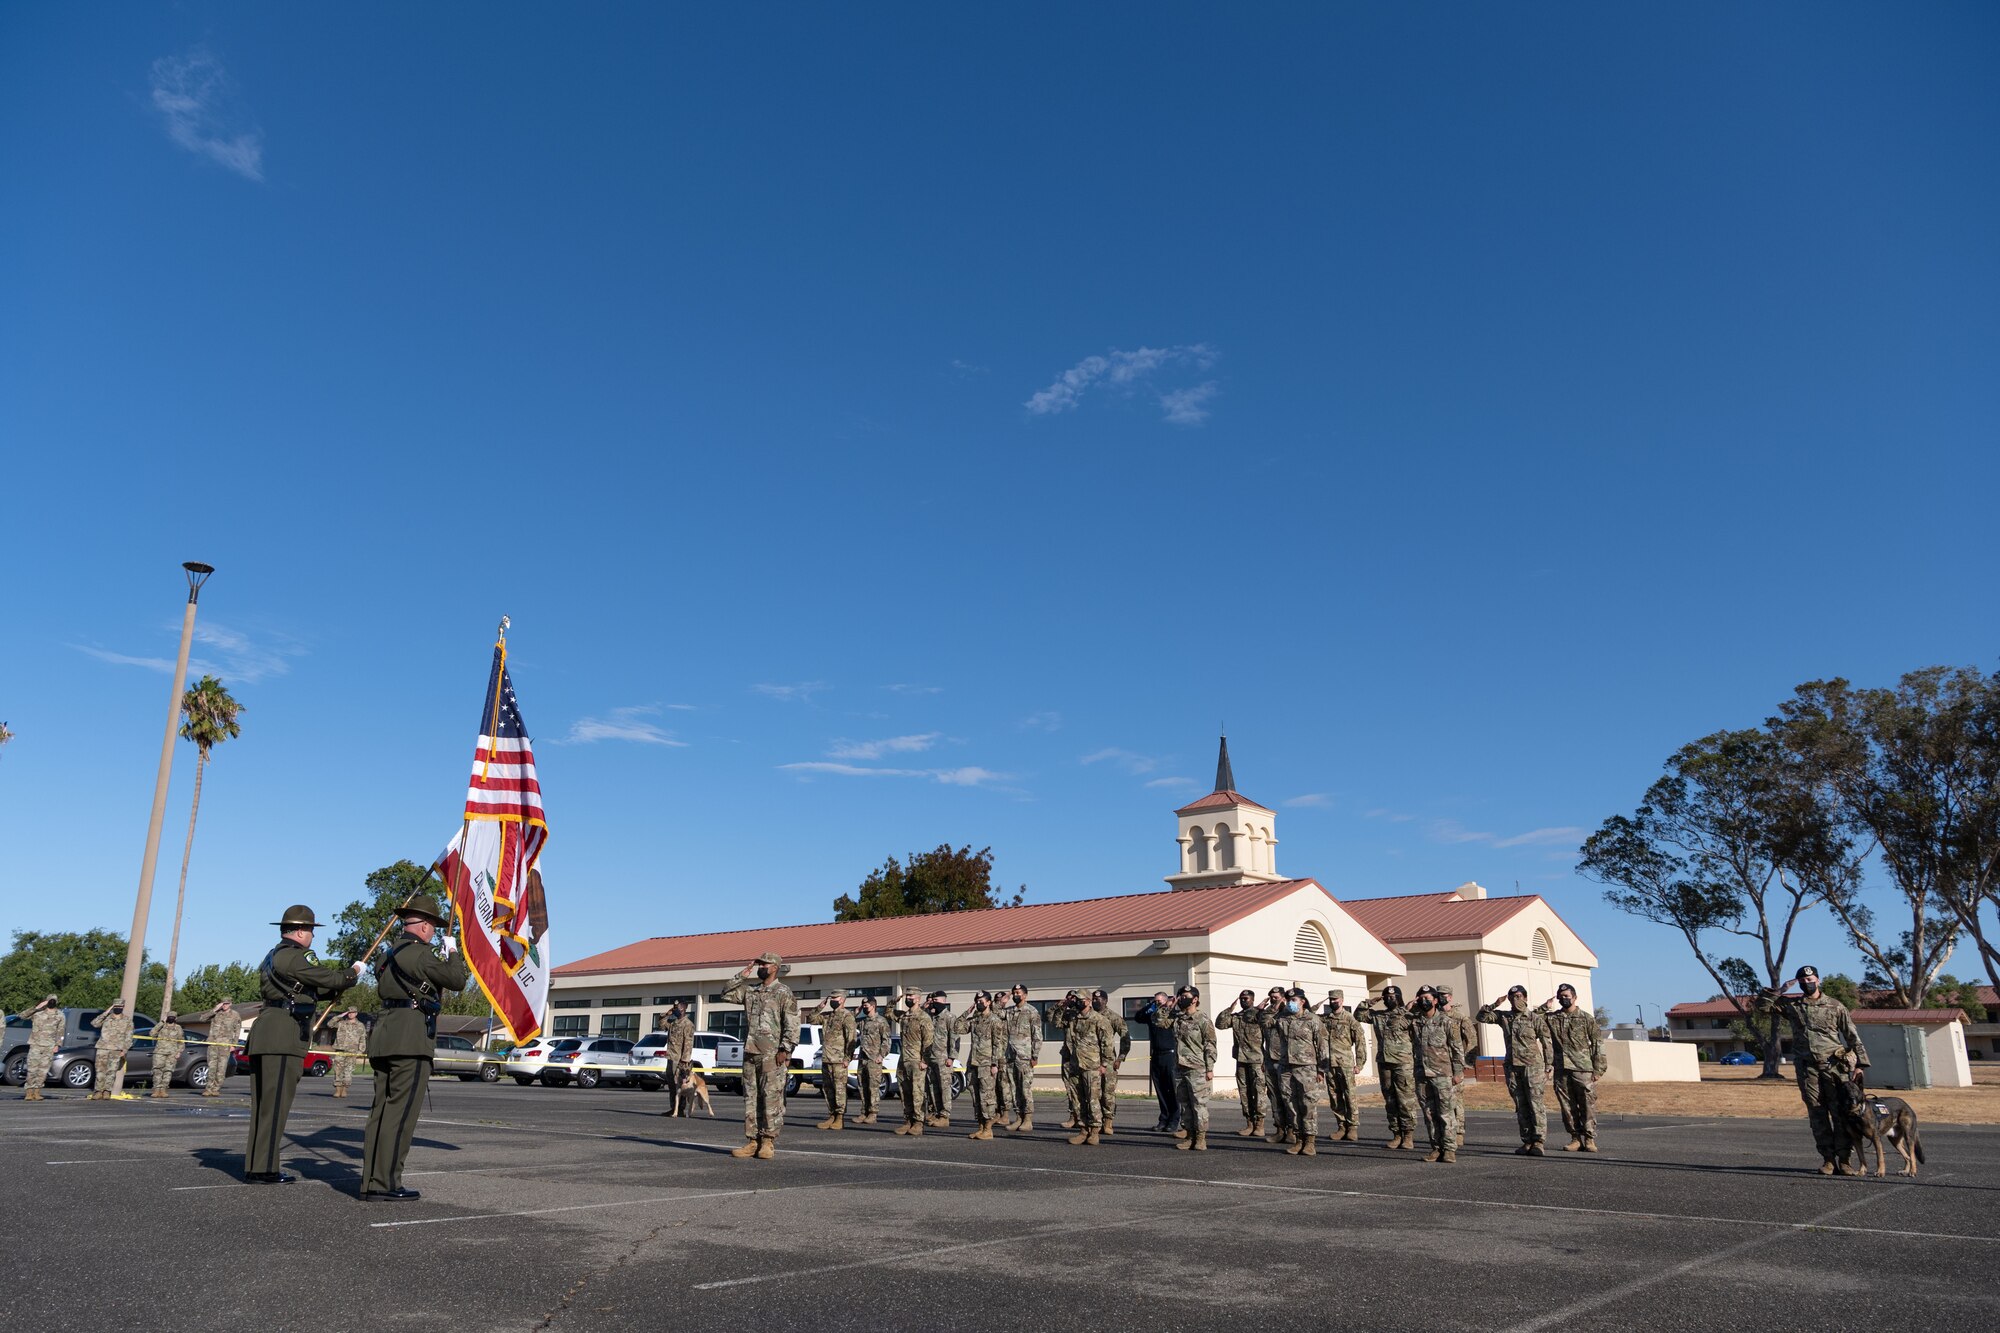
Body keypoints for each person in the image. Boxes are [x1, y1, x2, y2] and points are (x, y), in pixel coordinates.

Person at [360, 894, 470, 1201]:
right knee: (401, 1114)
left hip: (383, 1037)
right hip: (411, 1039)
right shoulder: (421, 954)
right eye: (432, 926)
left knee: (380, 1112)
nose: (434, 931)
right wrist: (452, 952)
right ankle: (387, 1183)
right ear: (421, 926)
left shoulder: (386, 955)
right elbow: (457, 980)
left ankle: (370, 1180)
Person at [246, 905, 363, 1183]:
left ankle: (257, 1164)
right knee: (275, 1106)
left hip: (267, 1031)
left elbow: (312, 988)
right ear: (300, 931)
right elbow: (329, 977)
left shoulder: (273, 956)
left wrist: (334, 987)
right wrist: (353, 972)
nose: (312, 936)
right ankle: (264, 1169)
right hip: (283, 1035)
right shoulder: (297, 956)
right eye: (311, 931)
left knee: (263, 1107)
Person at [1755, 965, 1869, 1175]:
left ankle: (1844, 1160)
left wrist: (1860, 1065)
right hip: (1808, 1070)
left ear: (1818, 980)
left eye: (1811, 979)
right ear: (1799, 983)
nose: (1808, 984)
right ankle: (1828, 1160)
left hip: (1835, 1068)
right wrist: (1780, 990)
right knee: (1817, 1114)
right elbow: (1762, 1007)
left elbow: (1852, 1035)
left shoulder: (1835, 1006)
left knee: (1841, 1113)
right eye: (1803, 981)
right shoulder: (1792, 1006)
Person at [720, 951, 800, 1160]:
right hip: (750, 1052)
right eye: (759, 964)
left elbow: (792, 1024)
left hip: (771, 1054)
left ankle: (767, 1142)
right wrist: (742, 974)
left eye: (764, 964)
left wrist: (785, 1049)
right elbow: (725, 993)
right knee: (751, 1098)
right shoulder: (751, 992)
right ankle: (752, 1141)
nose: (760, 967)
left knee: (771, 1097)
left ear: (775, 967)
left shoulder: (783, 992)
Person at [1477, 985, 1555, 1155]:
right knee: (1520, 1105)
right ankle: (1527, 1141)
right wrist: (1494, 1004)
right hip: (1513, 1067)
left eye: (1519, 996)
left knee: (1536, 1104)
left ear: (1526, 998)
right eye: (1512, 997)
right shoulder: (1504, 1017)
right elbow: (1481, 1017)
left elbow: (1546, 1043)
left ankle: (1539, 1141)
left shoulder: (1535, 1018)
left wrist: (1549, 1066)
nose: (1516, 1000)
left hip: (1532, 1067)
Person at [1542, 982, 1607, 1153]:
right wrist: (1545, 1007)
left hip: (1583, 1068)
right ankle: (1575, 1138)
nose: (1564, 999)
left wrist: (1599, 1069)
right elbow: (1532, 1018)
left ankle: (1590, 1138)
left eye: (1567, 996)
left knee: (1587, 1104)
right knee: (1567, 1106)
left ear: (1575, 997)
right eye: (1561, 996)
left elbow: (1598, 1043)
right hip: (1562, 1069)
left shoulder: (1586, 1018)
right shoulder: (1552, 1018)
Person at [1356, 985, 1418, 1149]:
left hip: (1403, 1062)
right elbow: (1359, 1015)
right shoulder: (1378, 1016)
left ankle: (1408, 1135)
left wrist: (1407, 1009)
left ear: (1399, 998)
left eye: (1393, 996)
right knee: (1390, 1100)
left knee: (1405, 1100)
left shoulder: (1408, 1015)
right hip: (1384, 1062)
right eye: (1387, 997)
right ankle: (1396, 1134)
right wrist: (1369, 1002)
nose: (1390, 999)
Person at [1410, 986, 1466, 1163]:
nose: (1423, 1001)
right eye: (1420, 998)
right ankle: (1436, 1147)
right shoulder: (1414, 1022)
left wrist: (1458, 1072)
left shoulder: (1446, 1022)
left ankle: (1449, 1149)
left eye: (1427, 998)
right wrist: (1409, 1007)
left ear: (1435, 1000)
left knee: (1445, 1113)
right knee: (1428, 1114)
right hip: (1422, 1074)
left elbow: (1457, 1049)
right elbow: (1397, 1020)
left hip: (1442, 1074)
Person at [1271, 988, 1329, 1156]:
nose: (1290, 1003)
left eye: (1293, 1000)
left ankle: (1310, 1141)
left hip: (1307, 1067)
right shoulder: (1281, 1018)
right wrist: (1275, 1005)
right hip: (1286, 1067)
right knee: (1291, 1104)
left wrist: (1322, 1069)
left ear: (1302, 1001)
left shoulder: (1312, 1019)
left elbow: (1322, 1045)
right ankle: (1299, 1139)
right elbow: (1263, 1021)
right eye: (1288, 1000)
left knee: (1308, 1104)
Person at [1164, 987, 1215, 1151]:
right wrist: (1168, 1006)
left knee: (1198, 1104)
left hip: (1197, 1067)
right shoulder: (1177, 1018)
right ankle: (1189, 1135)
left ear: (1195, 999)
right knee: (1184, 1104)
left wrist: (1210, 1068)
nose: (1181, 999)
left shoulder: (1202, 1019)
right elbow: (1158, 1021)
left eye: (1185, 996)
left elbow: (1210, 1045)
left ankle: (1200, 1138)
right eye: (1180, 996)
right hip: (1179, 1066)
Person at [1065, 990, 1117, 1147]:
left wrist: (1104, 1064)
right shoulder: (1074, 1018)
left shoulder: (1099, 1020)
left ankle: (1094, 1130)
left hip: (1092, 1065)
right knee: (1077, 1099)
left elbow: (1107, 1044)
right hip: (1075, 1065)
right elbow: (1059, 1026)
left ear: (1088, 1001)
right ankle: (1083, 1129)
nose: (1078, 1002)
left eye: (1081, 999)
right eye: (1077, 1000)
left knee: (1093, 1098)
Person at [952, 991, 1007, 1139]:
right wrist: (967, 1012)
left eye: (982, 1000)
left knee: (987, 1096)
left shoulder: (995, 1020)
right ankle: (981, 1127)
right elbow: (957, 1027)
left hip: (987, 1063)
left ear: (989, 1002)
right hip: (974, 1063)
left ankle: (988, 1129)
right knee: (975, 1095)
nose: (979, 1003)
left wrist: (995, 1063)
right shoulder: (975, 1020)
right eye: (977, 1001)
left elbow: (998, 1044)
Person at [1215, 989, 1268, 1137]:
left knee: (1258, 1092)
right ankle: (1249, 1123)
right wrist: (1229, 1009)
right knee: (1244, 1092)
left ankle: (1260, 1124)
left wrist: (1258, 1009)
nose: (1244, 1001)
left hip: (1257, 1060)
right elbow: (1220, 1024)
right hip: (1241, 1059)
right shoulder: (1237, 1017)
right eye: (1242, 999)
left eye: (1247, 998)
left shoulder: (1259, 1015)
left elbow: (1268, 1033)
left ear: (1252, 999)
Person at [1318, 989, 1365, 1143]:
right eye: (1331, 1000)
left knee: (1349, 1095)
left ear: (1342, 1000)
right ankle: (1341, 1126)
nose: (1333, 1002)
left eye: (1336, 1000)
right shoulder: (1326, 1019)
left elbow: (1360, 1042)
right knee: (1334, 1096)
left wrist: (1360, 1063)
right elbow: (1310, 1015)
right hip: (1329, 1064)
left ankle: (1352, 1127)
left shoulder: (1350, 1019)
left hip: (1345, 1063)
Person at [1436, 984, 1478, 1148]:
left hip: (1455, 1065)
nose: (1441, 997)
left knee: (1456, 1101)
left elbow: (1472, 1038)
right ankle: (1446, 1134)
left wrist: (1467, 1061)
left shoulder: (1459, 1017)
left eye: (1444, 995)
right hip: (1438, 1064)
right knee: (1441, 1102)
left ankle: (1459, 1133)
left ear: (1450, 997)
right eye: (1438, 994)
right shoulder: (1434, 1016)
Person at [814, 991, 858, 1131]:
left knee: (839, 1089)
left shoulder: (847, 1016)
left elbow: (851, 1039)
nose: (832, 1000)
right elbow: (812, 1019)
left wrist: (847, 1058)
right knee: (828, 1089)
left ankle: (839, 1117)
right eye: (831, 997)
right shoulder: (828, 1016)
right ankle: (831, 1115)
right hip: (827, 1058)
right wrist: (820, 1007)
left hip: (839, 1059)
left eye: (835, 998)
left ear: (842, 1000)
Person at [1258, 987, 1296, 1144]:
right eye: (1271, 997)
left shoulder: (1290, 1012)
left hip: (1286, 1059)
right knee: (1274, 1096)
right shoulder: (1266, 1013)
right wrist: (1258, 1010)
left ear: (1283, 998)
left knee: (1288, 1096)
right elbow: (1260, 1024)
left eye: (1276, 997)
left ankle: (1293, 1130)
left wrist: (1284, 1007)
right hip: (1269, 1060)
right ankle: (1280, 1129)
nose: (1273, 999)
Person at [1140, 991, 1181, 1133]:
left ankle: (1174, 1120)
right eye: (1155, 1001)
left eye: (1159, 1001)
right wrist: (1150, 1005)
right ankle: (1163, 1119)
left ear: (1166, 1001)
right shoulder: (1152, 1016)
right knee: (1161, 1090)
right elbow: (1138, 1017)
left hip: (1169, 1055)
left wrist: (1168, 1007)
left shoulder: (1172, 1014)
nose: (1157, 1003)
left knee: (1171, 1090)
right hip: (1156, 1055)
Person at [894, 989, 933, 1136]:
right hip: (903, 1060)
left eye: (910, 996)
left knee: (917, 1093)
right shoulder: (905, 1016)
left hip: (917, 1061)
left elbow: (928, 1041)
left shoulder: (923, 1017)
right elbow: (888, 1012)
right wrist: (896, 999)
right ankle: (908, 1120)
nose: (908, 998)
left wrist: (925, 1060)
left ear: (917, 998)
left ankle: (918, 1122)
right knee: (905, 1092)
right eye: (907, 995)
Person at [1094, 988, 1131, 1135]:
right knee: (1093, 1093)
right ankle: (1095, 1121)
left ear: (1105, 1000)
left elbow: (1125, 1037)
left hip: (1108, 1060)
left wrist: (1121, 1057)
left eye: (1099, 999)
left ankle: (1108, 1121)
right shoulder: (1089, 1016)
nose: (1096, 1001)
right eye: (1094, 999)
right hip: (1091, 1060)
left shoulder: (1113, 1017)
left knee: (1107, 1092)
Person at [1003, 985, 1039, 1132]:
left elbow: (1037, 1034)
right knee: (1014, 1088)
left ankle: (1028, 1119)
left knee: (1025, 1088)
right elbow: (994, 1014)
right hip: (1010, 1055)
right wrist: (1002, 1002)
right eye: (1014, 993)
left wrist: (1035, 1055)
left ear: (1025, 995)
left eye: (1018, 993)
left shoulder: (1032, 1011)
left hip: (1025, 1056)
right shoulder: (1009, 1011)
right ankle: (1018, 1117)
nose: (1016, 995)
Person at [852, 997, 890, 1125]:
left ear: (873, 1006)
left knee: (873, 1087)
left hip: (874, 1059)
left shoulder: (881, 1021)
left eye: (866, 1005)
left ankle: (873, 1113)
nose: (864, 1007)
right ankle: (864, 1112)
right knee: (862, 1086)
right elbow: (849, 1022)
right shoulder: (863, 1022)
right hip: (863, 1058)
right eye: (863, 1005)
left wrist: (881, 1055)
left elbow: (886, 1040)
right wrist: (855, 1012)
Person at [87, 1001, 134, 1101]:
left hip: (116, 1049)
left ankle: (107, 1091)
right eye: (116, 1006)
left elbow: (129, 1036)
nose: (118, 1008)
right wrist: (106, 1011)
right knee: (100, 1071)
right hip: (102, 1048)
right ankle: (98, 1091)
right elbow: (94, 1023)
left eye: (120, 1006)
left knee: (111, 1071)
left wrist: (125, 1049)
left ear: (123, 1007)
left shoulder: (127, 1020)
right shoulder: (106, 1018)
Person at [923, 991, 958, 1127]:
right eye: (931, 1000)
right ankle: (936, 1113)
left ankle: (944, 1116)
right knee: (933, 1088)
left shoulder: (949, 1017)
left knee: (944, 1088)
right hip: (930, 1059)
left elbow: (955, 1039)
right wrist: (925, 1006)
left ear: (943, 1001)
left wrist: (952, 1057)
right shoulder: (930, 1017)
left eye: (935, 1000)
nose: (933, 1002)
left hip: (943, 1059)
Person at [22, 995, 64, 1101]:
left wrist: (57, 1045)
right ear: (46, 1001)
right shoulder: (37, 1013)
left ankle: (37, 1092)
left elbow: (61, 1031)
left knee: (43, 1071)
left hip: (49, 1046)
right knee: (32, 1069)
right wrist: (36, 1007)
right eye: (50, 1000)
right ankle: (29, 1092)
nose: (52, 1002)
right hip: (35, 1044)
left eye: (54, 1000)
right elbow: (22, 1016)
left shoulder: (60, 1015)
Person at [1056, 989, 1087, 1128]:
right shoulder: (1067, 1014)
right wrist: (1061, 1006)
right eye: (1070, 998)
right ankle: (1073, 1116)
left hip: (1083, 1057)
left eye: (1075, 998)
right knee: (1070, 1088)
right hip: (1068, 1056)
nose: (1073, 1000)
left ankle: (1085, 1117)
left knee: (1085, 1088)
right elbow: (1055, 1022)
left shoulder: (1086, 1014)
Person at [658, 1003, 695, 1117]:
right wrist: (667, 1014)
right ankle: (673, 1107)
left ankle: (680, 1109)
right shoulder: (674, 1023)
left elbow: (688, 1043)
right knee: (671, 1084)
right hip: (671, 1057)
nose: (675, 1010)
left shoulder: (687, 1024)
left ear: (683, 1009)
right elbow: (661, 1025)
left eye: (677, 1008)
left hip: (679, 1060)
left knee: (679, 1085)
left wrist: (684, 1060)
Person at [202, 998, 242, 1097]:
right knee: (211, 1068)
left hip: (225, 1045)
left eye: (227, 1003)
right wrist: (214, 1009)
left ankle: (215, 1089)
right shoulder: (216, 1013)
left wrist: (234, 1045)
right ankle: (208, 1089)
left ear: (231, 1004)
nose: (225, 1005)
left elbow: (237, 1031)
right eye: (223, 1004)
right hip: (213, 1044)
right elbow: (202, 1018)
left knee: (221, 1069)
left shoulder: (235, 1015)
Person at [330, 1009, 366, 1099]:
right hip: (340, 1050)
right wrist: (340, 1015)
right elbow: (330, 1024)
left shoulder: (360, 1025)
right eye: (349, 1013)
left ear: (356, 1013)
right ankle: (338, 1090)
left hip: (352, 1052)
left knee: (348, 1072)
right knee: (338, 1071)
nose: (351, 1014)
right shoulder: (341, 1023)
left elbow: (362, 1038)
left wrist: (361, 1050)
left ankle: (344, 1090)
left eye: (353, 1012)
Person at [148, 1012, 185, 1098]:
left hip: (172, 1053)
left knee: (168, 1072)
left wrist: (179, 1052)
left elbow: (181, 1041)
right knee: (157, 1071)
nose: (171, 1018)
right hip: (159, 1052)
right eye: (169, 1017)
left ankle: (163, 1090)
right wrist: (161, 1022)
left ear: (175, 1018)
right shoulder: (162, 1026)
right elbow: (152, 1033)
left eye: (173, 1017)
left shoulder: (178, 1028)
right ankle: (156, 1090)